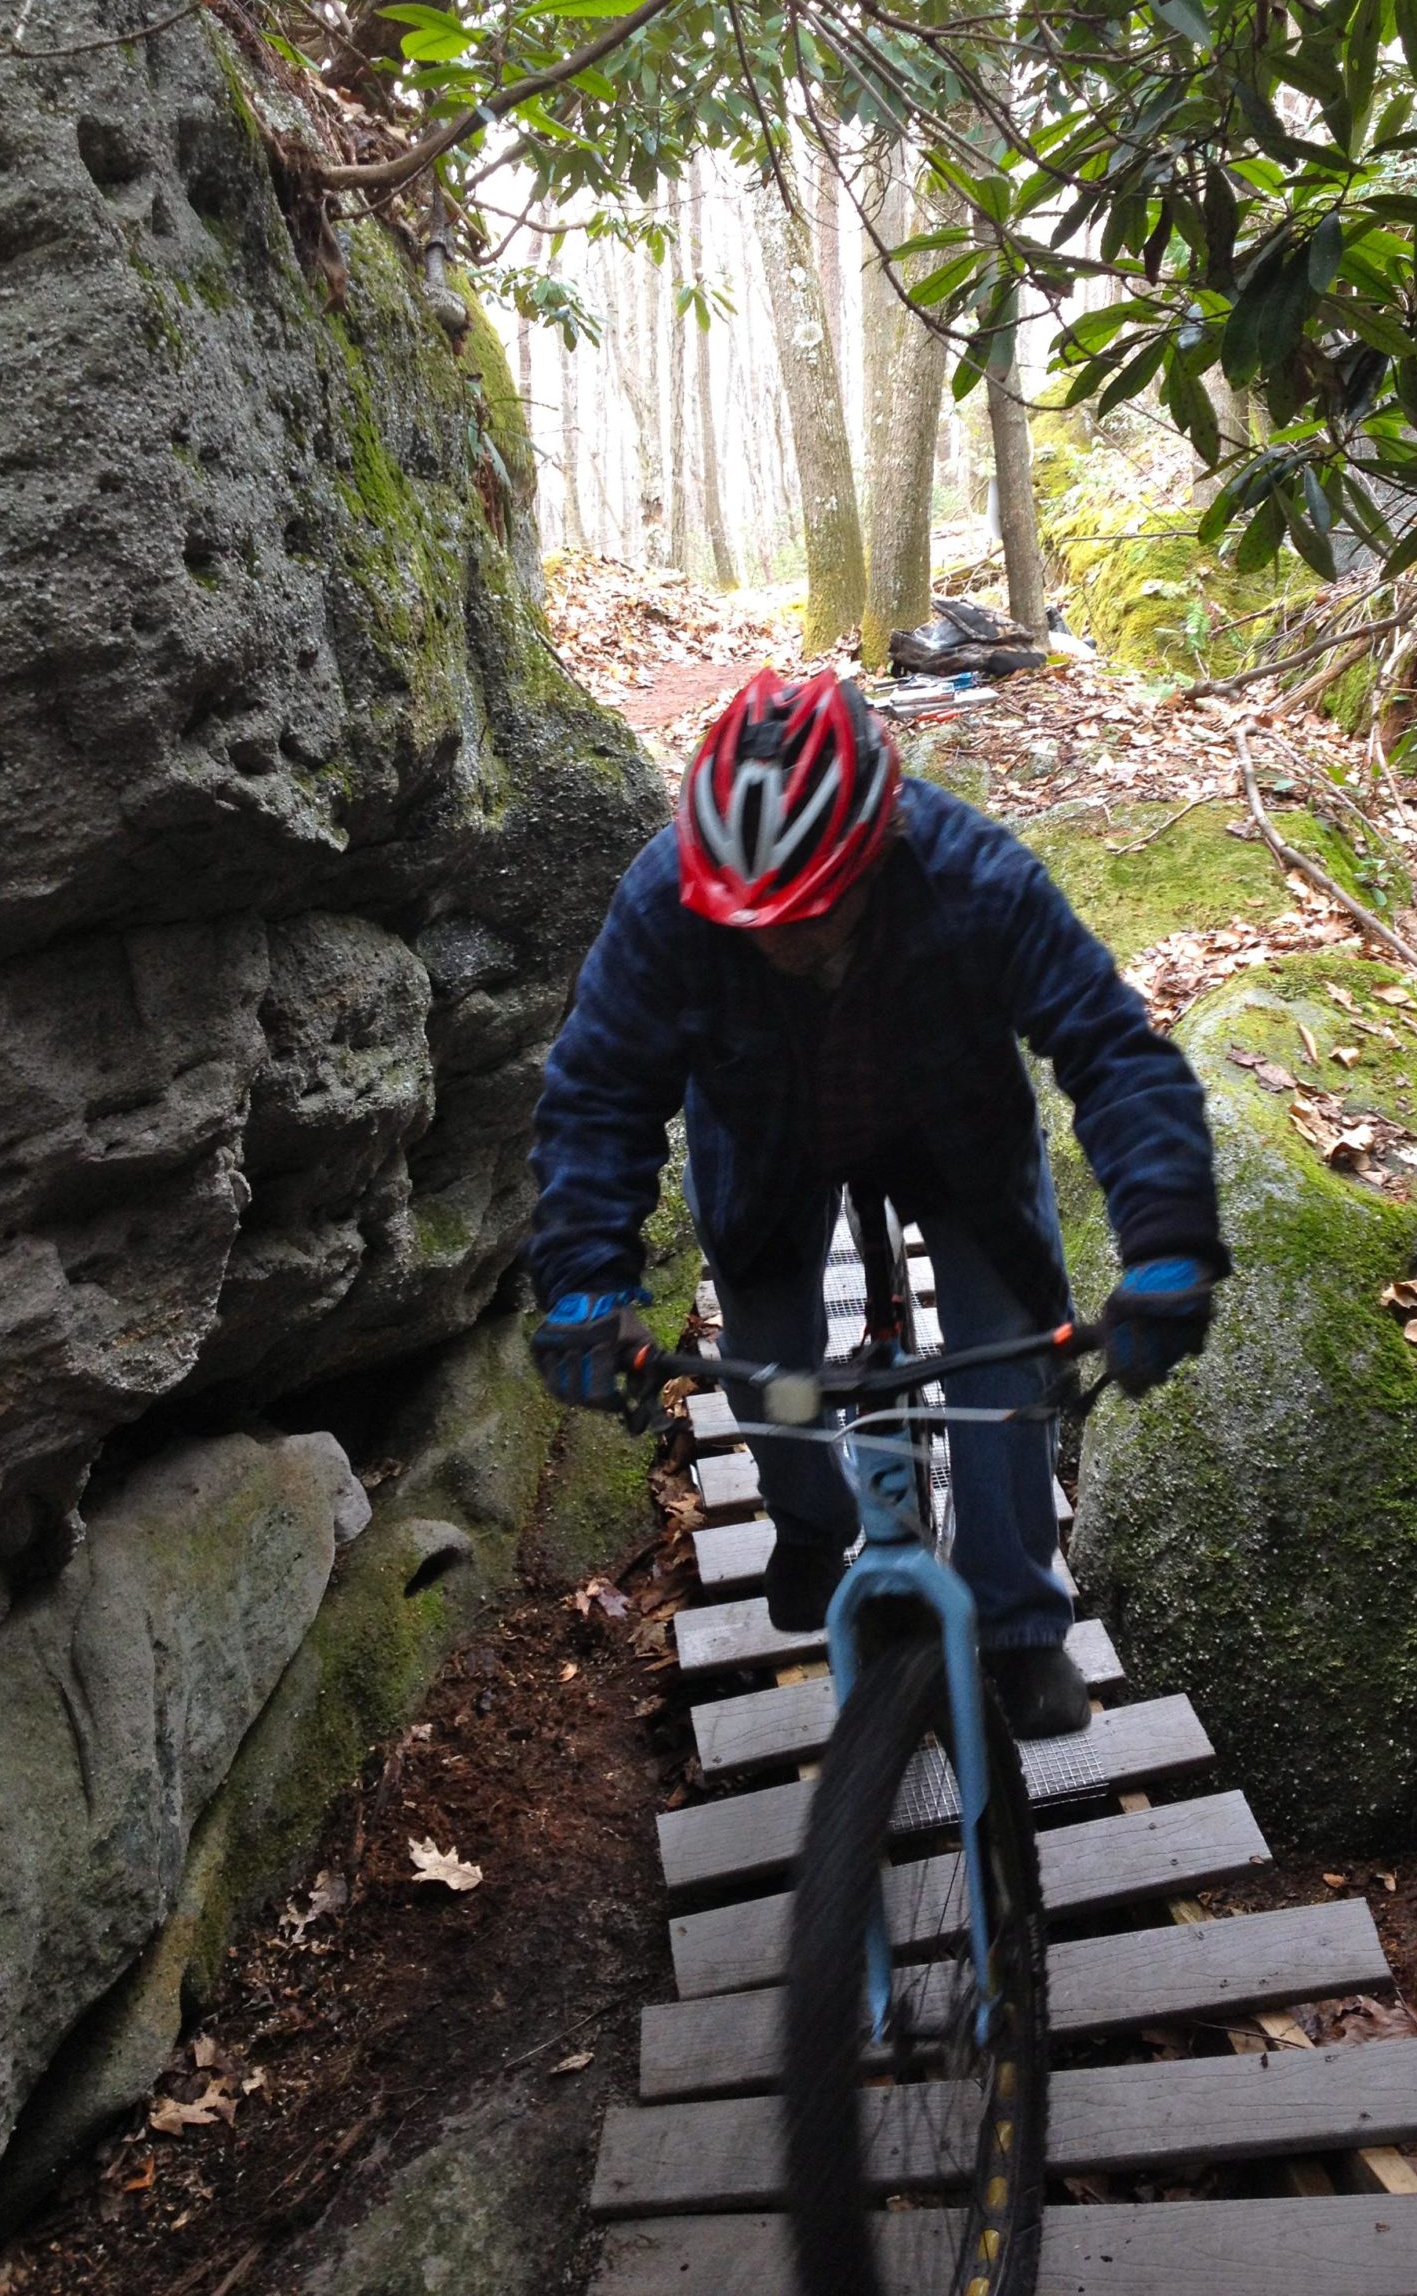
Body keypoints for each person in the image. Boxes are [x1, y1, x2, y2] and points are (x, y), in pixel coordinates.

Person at [526, 668, 1228, 1739]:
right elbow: (597, 1094)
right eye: (747, 918)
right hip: (763, 1142)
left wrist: (1168, 1243)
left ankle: (1019, 1623)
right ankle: (810, 1521)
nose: (776, 940)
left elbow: (1113, 1051)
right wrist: (584, 1278)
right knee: (772, 1361)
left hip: (955, 1132)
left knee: (1004, 1357)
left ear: (875, 853)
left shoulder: (971, 872)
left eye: (807, 912)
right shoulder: (668, 896)